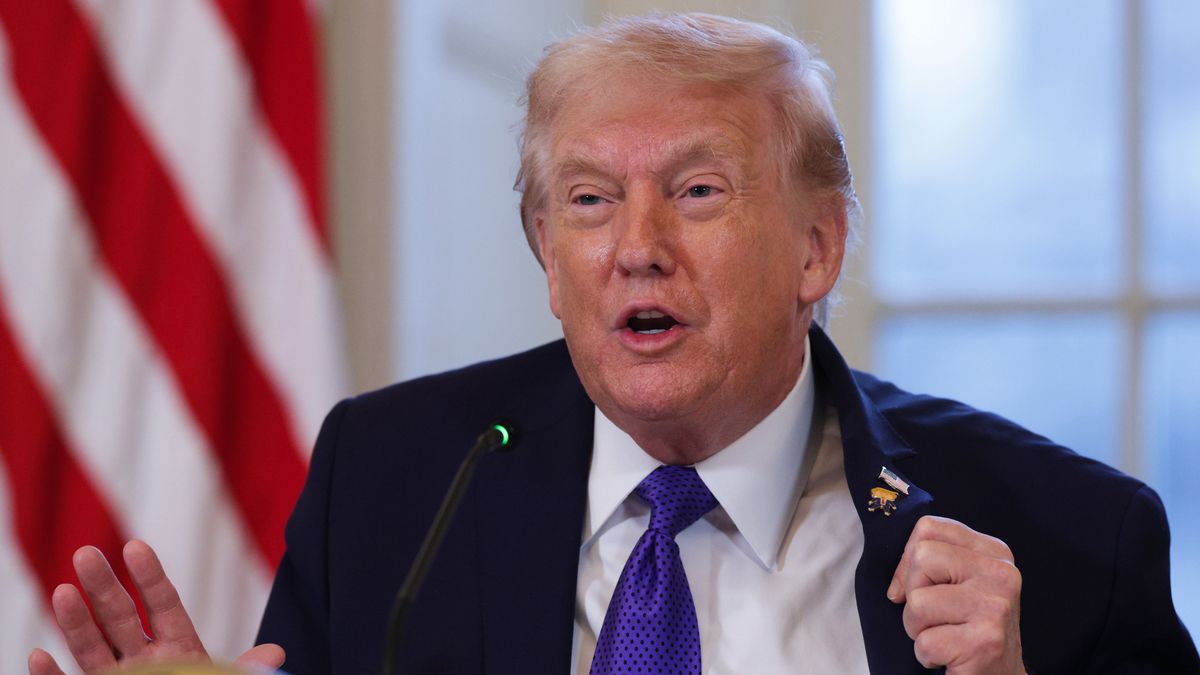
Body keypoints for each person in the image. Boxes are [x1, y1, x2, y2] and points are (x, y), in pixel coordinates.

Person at [28, 12, 1199, 675]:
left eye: (695, 192)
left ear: (817, 251)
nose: (635, 247)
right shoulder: (391, 483)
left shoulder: (1068, 538)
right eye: (588, 203)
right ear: (547, 252)